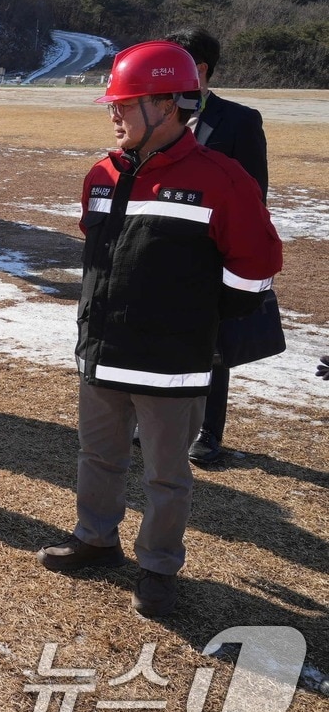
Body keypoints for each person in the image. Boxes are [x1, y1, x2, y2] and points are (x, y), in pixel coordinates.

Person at [37, 40, 282, 618]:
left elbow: (256, 265)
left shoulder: (221, 178)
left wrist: (199, 319)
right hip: (103, 352)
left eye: (124, 103)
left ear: (166, 106)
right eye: (113, 103)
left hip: (174, 363)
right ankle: (95, 538)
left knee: (166, 476)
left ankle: (157, 567)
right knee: (97, 457)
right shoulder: (101, 173)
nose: (113, 113)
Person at [165, 27, 270, 467]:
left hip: (211, 255)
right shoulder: (158, 113)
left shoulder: (240, 121)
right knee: (164, 337)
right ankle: (163, 422)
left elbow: (254, 196)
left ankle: (208, 431)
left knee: (213, 345)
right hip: (162, 251)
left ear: (200, 69)